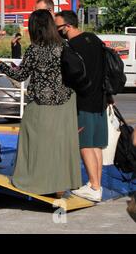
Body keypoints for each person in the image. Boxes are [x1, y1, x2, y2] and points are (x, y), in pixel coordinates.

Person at [0, 9, 82, 196]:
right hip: (65, 102)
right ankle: (60, 186)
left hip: (41, 104)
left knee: (35, 143)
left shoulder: (35, 49)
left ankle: (35, 181)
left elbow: (21, 75)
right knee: (60, 145)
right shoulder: (64, 45)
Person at [55, 10, 107, 202]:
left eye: (58, 27)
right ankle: (97, 185)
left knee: (84, 144)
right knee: (96, 145)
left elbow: (69, 76)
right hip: (100, 100)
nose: (57, 30)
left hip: (82, 101)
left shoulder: (71, 47)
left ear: (67, 26)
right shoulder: (94, 39)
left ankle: (93, 187)